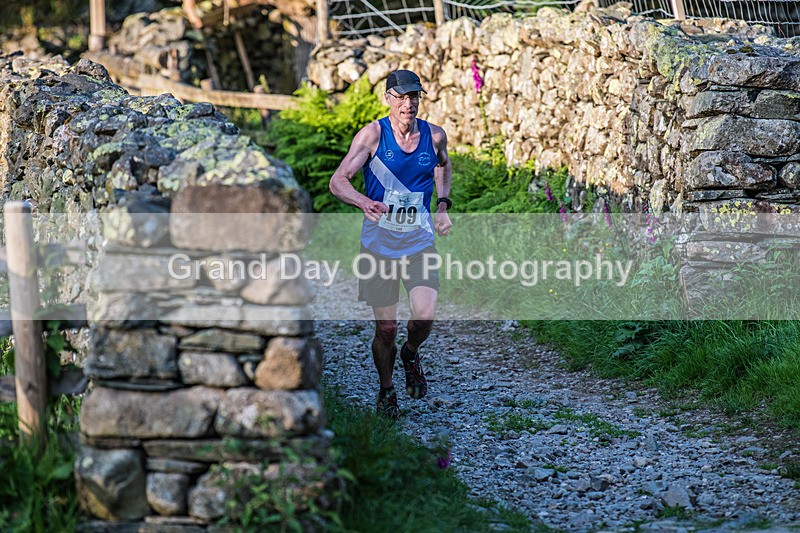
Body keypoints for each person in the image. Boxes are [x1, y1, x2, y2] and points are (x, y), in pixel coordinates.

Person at [329, 69, 453, 419]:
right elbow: (338, 182)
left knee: (425, 316)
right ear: (388, 99)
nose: (408, 103)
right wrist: (362, 202)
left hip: (418, 243)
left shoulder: (435, 135)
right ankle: (386, 390)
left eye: (414, 96)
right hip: (378, 247)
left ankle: (411, 354)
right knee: (386, 328)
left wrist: (442, 206)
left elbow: (443, 167)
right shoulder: (371, 135)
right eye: (400, 97)